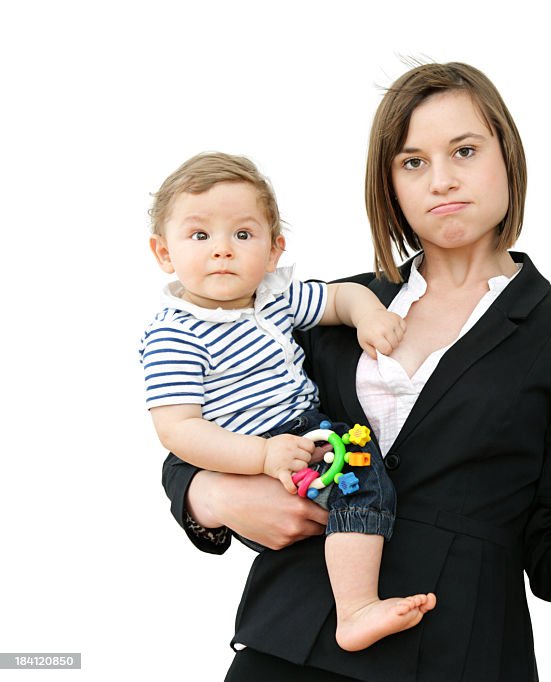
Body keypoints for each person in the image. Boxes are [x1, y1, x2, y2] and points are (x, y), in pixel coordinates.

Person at [162, 63, 551, 681]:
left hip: (455, 655)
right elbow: (201, 427)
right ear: (389, 183)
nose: (441, 180)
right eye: (412, 162)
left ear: (507, 158)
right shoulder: (329, 305)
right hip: (289, 647)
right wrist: (212, 496)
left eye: (464, 150)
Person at [142, 152, 436, 652]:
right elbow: (177, 430)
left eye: (242, 234)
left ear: (274, 249)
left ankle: (353, 601)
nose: (222, 251)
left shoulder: (274, 298)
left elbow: (340, 297)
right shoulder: (175, 335)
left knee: (360, 474)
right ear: (164, 253)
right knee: (362, 479)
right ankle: (357, 607)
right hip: (257, 455)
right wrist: (261, 457)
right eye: (199, 235)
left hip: (305, 433)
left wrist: (367, 315)